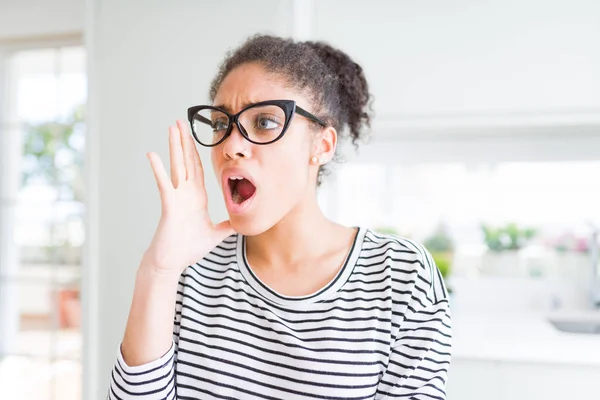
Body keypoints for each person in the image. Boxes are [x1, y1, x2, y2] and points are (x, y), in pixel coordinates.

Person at [107, 34, 451, 400]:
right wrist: (159, 271)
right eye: (222, 124)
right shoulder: (188, 268)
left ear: (322, 145)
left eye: (265, 122)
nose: (230, 146)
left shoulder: (401, 276)